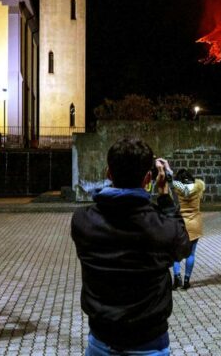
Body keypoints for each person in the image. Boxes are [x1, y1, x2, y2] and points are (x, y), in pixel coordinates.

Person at [71, 137, 191, 356]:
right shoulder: (161, 227)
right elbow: (183, 247)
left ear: (109, 172)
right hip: (148, 341)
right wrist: (165, 195)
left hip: (101, 338)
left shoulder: (82, 221)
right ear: (148, 178)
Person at [170, 168, 205, 290]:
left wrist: (169, 171)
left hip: (181, 223)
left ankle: (177, 277)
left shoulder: (178, 189)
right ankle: (186, 280)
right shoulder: (199, 186)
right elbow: (196, 185)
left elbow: (173, 181)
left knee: (176, 253)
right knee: (191, 254)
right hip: (195, 223)